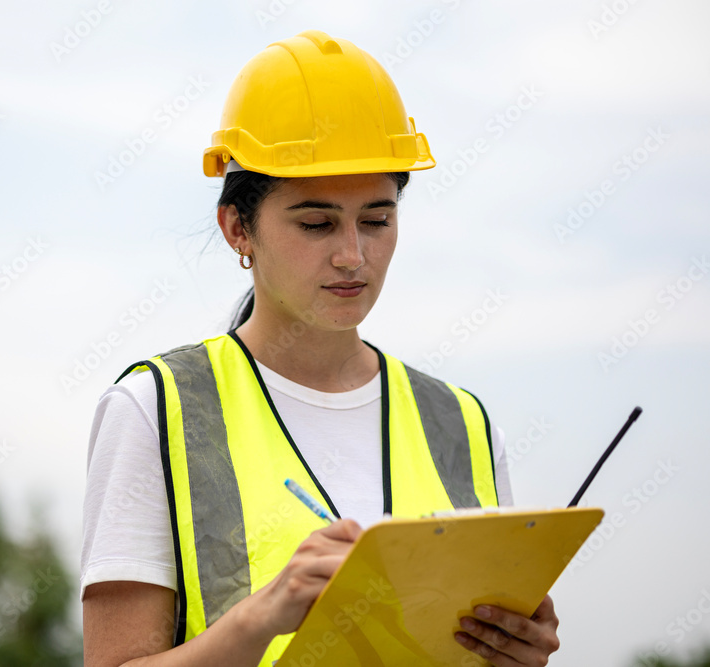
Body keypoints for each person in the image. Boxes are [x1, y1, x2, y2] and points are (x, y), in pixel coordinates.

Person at [80, 30, 561, 666]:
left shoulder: (462, 424)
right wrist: (262, 616)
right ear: (237, 228)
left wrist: (515, 654)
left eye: (377, 220)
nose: (352, 257)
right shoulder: (154, 409)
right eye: (316, 223)